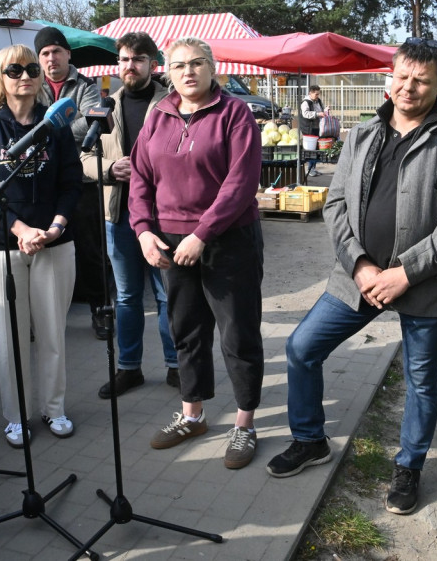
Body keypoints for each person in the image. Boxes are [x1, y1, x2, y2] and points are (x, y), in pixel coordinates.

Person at [266, 38, 437, 518]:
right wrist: (360, 264)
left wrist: (406, 272)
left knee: (421, 379)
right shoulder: (363, 135)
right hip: (357, 278)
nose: (409, 87)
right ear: (391, 77)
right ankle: (309, 439)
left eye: (422, 80)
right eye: (402, 76)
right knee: (302, 348)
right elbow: (336, 204)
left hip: (422, 283)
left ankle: (409, 466)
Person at [129, 37, 264, 470]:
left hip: (228, 239)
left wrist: (202, 233)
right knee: (185, 330)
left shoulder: (235, 114)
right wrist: (143, 231)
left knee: (238, 333)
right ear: (166, 72)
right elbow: (140, 177)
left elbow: (241, 182)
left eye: (197, 63)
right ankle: (193, 416)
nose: (188, 71)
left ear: (212, 67)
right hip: (170, 241)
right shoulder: (159, 115)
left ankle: (244, 424)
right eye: (178, 65)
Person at [0, 44, 81, 447]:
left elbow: (71, 183)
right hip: (0, 246)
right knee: (10, 339)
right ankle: (16, 416)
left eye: (32, 69)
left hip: (54, 243)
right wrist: (20, 229)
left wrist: (56, 225)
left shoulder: (55, 126)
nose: (25, 76)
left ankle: (54, 408)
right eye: (14, 70)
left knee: (52, 334)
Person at [81, 31, 179, 399]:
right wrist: (109, 168)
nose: (130, 65)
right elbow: (83, 156)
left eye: (137, 59)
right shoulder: (104, 107)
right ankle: (129, 368)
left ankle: (176, 366)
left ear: (152, 64)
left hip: (164, 218)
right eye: (124, 59)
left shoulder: (172, 103)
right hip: (119, 217)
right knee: (126, 297)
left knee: (168, 296)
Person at [34, 26, 107, 339]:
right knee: (43, 249)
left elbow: (90, 122)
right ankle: (43, 317)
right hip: (41, 182)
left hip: (81, 179)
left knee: (90, 250)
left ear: (67, 54)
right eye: (45, 54)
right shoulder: (32, 84)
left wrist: (45, 132)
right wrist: (58, 129)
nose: (51, 58)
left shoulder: (86, 85)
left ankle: (101, 310)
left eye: (56, 51)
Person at [298, 85, 327, 177]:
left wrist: (325, 111)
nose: (317, 96)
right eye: (316, 94)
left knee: (316, 149)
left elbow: (321, 110)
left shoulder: (318, 101)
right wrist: (317, 114)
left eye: (318, 94)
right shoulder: (305, 102)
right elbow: (305, 114)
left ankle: (313, 168)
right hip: (308, 129)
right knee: (311, 150)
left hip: (317, 127)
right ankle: (310, 169)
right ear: (310, 93)